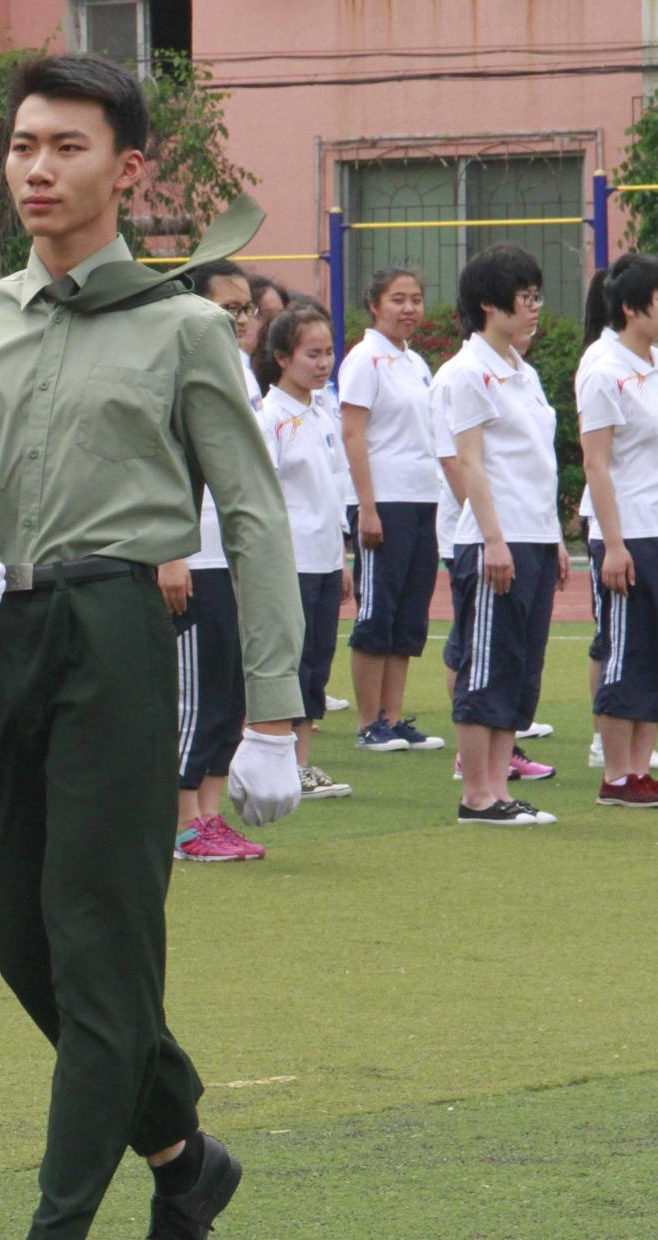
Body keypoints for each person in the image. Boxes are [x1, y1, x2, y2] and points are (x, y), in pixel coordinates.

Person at [0, 53, 303, 1240]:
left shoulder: (182, 328)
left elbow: (252, 510)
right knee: (30, 952)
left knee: (102, 948)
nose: (37, 167)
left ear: (126, 169)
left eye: (66, 145)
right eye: (22, 145)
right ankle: (183, 1156)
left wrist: (271, 707)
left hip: (118, 631)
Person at [431, 244, 565, 828]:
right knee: (485, 667)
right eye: (524, 297)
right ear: (490, 303)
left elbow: (537, 463)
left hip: (533, 535)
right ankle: (477, 796)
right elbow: (470, 462)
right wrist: (493, 538)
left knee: (518, 668)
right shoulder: (468, 371)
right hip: (495, 538)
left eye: (537, 296)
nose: (535, 307)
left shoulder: (522, 371)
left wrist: (552, 538)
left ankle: (499, 789)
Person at [575, 255, 658, 808]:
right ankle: (616, 775)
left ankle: (640, 770)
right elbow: (596, 462)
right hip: (632, 531)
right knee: (628, 653)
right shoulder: (602, 367)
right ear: (630, 307)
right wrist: (614, 544)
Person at [161, 259, 269, 864]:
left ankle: (209, 813)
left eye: (246, 308)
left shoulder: (242, 373)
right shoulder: (180, 370)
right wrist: (171, 553)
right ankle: (181, 823)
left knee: (229, 697)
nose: (242, 320)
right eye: (229, 309)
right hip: (193, 558)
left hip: (231, 560)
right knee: (194, 696)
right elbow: (166, 468)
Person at [338, 268, 448, 751]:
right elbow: (352, 434)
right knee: (377, 612)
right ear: (375, 304)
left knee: (408, 613)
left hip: (422, 498)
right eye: (398, 299)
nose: (409, 308)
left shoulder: (416, 362)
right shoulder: (365, 360)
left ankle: (393, 717)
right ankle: (368, 723)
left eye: (416, 299)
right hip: (384, 499)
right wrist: (367, 507)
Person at [254, 305, 354, 802]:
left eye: (328, 353)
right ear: (281, 357)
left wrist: (342, 555)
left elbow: (334, 483)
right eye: (311, 354)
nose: (323, 363)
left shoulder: (322, 412)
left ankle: (302, 763)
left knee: (317, 660)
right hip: (288, 560)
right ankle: (276, 763)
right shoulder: (270, 418)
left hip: (324, 557)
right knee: (288, 664)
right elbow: (263, 493)